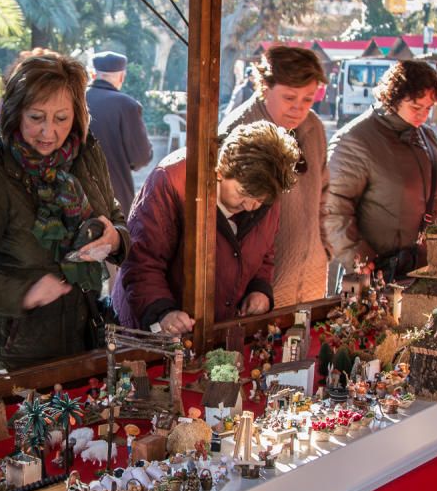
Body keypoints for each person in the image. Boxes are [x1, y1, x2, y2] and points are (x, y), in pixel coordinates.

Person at [0, 53, 129, 372]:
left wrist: (115, 240)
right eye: (36, 117)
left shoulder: (86, 153)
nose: (49, 133)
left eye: (61, 118)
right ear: (15, 113)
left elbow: (114, 215)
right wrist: (24, 294)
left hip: (84, 340)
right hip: (17, 355)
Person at [112, 121, 300, 335]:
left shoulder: (266, 189)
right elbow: (142, 260)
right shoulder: (172, 181)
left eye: (259, 200)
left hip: (216, 331)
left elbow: (265, 254)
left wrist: (259, 290)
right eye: (242, 193)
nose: (249, 206)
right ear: (222, 169)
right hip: (151, 330)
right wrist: (162, 312)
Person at [322, 60, 437, 281]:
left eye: (428, 108)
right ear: (392, 99)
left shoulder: (426, 136)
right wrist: (357, 256)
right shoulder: (355, 140)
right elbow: (332, 207)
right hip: (376, 272)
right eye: (415, 107)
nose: (423, 115)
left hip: (425, 269)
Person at [219, 46, 330, 306]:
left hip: (312, 275)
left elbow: (325, 195)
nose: (298, 109)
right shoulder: (238, 131)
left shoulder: (313, 127)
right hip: (259, 286)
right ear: (265, 87)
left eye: (308, 99)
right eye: (289, 98)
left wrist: (324, 248)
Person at [86, 50, 154, 217]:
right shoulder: (127, 105)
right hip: (115, 196)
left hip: (73, 194)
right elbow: (141, 157)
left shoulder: (75, 99)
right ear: (122, 77)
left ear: (93, 74)